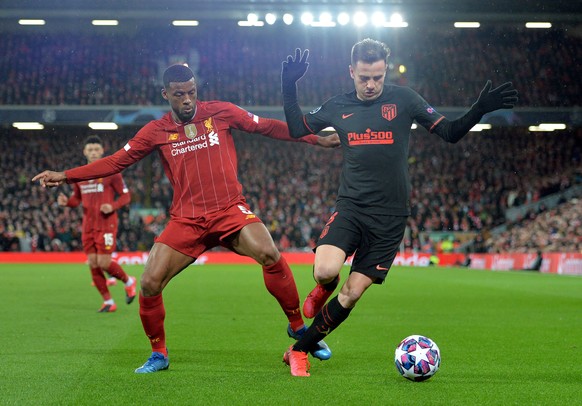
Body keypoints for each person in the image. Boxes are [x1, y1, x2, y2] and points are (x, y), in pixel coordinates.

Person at [33, 64, 340, 374]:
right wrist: (66, 176)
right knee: (150, 283)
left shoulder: (221, 112)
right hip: (187, 220)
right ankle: (159, 354)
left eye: (192, 93)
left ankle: (298, 328)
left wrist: (315, 138)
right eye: (179, 95)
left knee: (270, 253)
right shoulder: (156, 131)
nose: (187, 100)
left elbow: (269, 127)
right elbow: (115, 162)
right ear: (166, 94)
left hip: (229, 210)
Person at [280, 38, 518, 376]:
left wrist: (478, 109)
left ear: (385, 71)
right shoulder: (337, 106)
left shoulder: (405, 100)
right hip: (351, 206)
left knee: (351, 295)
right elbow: (295, 128)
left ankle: (298, 351)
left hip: (390, 218)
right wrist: (289, 86)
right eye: (364, 77)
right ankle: (323, 288)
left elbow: (449, 133)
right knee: (325, 271)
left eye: (377, 76)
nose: (371, 84)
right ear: (352, 72)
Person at [57, 135, 137, 313]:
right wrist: (66, 203)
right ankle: (108, 302)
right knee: (93, 263)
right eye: (90, 150)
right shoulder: (79, 175)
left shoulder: (112, 173)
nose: (93, 152)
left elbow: (126, 196)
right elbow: (77, 199)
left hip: (106, 224)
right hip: (87, 226)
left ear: (102, 151)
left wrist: (113, 205)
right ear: (85, 152)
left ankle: (129, 281)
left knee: (104, 262)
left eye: (96, 149)